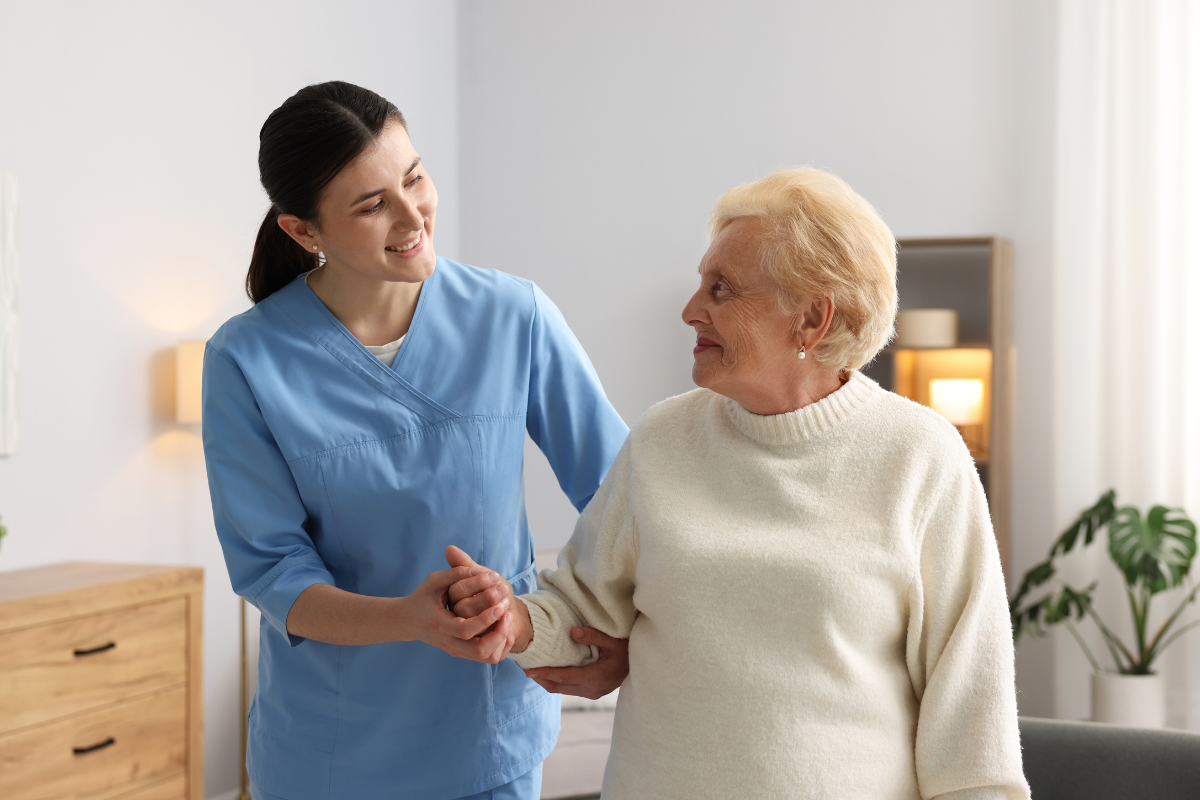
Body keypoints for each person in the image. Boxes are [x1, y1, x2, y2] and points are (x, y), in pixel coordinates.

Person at [448, 168, 1030, 799]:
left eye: (721, 289)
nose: (690, 309)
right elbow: (584, 611)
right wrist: (515, 619)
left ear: (810, 318)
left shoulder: (921, 456)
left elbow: (971, 711)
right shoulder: (662, 440)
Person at [202, 81, 630, 800]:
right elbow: (274, 573)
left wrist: (594, 627)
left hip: (489, 737)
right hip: (330, 754)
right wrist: (407, 619)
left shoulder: (512, 315)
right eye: (371, 205)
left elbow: (623, 496)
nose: (413, 216)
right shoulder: (246, 360)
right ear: (304, 232)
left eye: (414, 178)